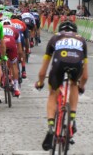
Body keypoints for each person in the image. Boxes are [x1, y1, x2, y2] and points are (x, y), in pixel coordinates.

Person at [35, 21, 88, 151]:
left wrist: (40, 83)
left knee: (53, 92)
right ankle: (72, 118)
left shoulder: (55, 37)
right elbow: (85, 75)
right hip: (76, 65)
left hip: (59, 64)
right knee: (74, 84)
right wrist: (82, 85)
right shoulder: (81, 39)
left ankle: (51, 126)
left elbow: (43, 70)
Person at [1, 19, 23, 97]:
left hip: (2, 43)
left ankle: (2, 76)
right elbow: (19, 47)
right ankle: (16, 88)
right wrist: (20, 58)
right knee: (14, 65)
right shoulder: (15, 30)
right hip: (11, 44)